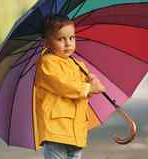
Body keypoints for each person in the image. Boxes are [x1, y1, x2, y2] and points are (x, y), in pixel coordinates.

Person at [33, 14, 105, 159]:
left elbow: (81, 94)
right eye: (61, 39)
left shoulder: (78, 64)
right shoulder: (47, 63)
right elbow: (63, 85)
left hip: (77, 132)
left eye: (71, 38)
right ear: (46, 42)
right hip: (56, 131)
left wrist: (92, 85)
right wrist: (87, 88)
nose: (68, 43)